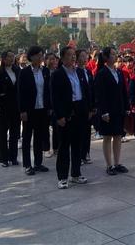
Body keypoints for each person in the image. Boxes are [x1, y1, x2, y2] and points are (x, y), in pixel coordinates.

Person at [51, 46, 90, 189]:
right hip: (66, 114)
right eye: (69, 55)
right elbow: (55, 97)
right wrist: (59, 115)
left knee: (77, 145)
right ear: (62, 58)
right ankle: (62, 177)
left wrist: (89, 109)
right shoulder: (57, 74)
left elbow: (86, 92)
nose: (73, 58)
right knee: (64, 146)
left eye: (74, 55)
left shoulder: (79, 72)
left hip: (80, 112)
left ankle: (75, 174)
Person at [94, 47, 129, 175]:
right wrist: (103, 112)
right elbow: (99, 95)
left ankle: (117, 163)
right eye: (113, 54)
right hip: (107, 112)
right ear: (106, 57)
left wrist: (126, 107)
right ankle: (109, 165)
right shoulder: (101, 73)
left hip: (118, 109)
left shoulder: (118, 72)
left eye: (116, 54)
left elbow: (124, 91)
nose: (116, 56)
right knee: (108, 137)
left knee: (118, 136)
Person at [17, 46, 51, 175]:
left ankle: (38, 163)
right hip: (29, 109)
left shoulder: (45, 71)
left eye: (42, 54)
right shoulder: (24, 72)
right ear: (32, 57)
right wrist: (22, 111)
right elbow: (20, 93)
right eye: (39, 55)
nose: (41, 57)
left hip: (42, 108)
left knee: (39, 136)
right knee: (27, 137)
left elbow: (48, 90)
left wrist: (49, 107)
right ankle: (27, 164)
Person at [0, 51, 21, 166]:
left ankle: (13, 157)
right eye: (9, 57)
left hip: (16, 106)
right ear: (3, 59)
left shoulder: (17, 71)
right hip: (3, 107)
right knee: (3, 133)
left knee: (15, 133)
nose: (12, 58)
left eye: (13, 56)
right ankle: (4, 159)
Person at [76, 49, 95, 164]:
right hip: (80, 107)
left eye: (86, 56)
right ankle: (79, 155)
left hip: (89, 107)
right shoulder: (76, 72)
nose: (85, 58)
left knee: (87, 131)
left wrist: (92, 107)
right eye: (82, 56)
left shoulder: (88, 71)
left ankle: (86, 153)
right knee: (80, 132)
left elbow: (91, 89)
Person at [43, 52, 59, 159]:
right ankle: (46, 148)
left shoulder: (58, 72)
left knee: (56, 127)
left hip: (56, 104)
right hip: (45, 104)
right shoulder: (42, 72)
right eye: (50, 59)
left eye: (54, 59)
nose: (53, 61)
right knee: (45, 128)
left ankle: (56, 147)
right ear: (45, 61)